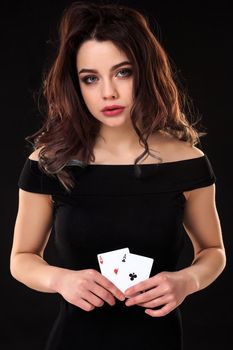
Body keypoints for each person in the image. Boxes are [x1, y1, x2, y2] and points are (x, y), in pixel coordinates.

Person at [10, 1, 226, 349]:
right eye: (90, 78)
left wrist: (187, 280)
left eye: (122, 72)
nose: (108, 92)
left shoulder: (188, 161)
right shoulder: (48, 161)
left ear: (145, 72)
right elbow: (21, 259)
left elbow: (213, 250)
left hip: (159, 340)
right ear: (76, 86)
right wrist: (61, 280)